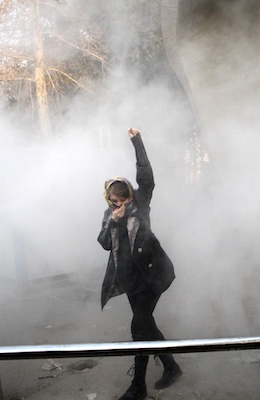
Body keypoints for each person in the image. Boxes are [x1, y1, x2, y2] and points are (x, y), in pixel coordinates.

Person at [97, 128, 182, 400]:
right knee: (147, 326)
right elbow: (104, 243)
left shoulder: (140, 204)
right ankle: (171, 367)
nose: (119, 205)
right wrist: (113, 220)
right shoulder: (109, 215)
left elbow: (147, 179)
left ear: (130, 197)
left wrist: (137, 142)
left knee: (139, 328)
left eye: (123, 200)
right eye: (114, 201)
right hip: (130, 281)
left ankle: (138, 387)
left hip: (152, 278)